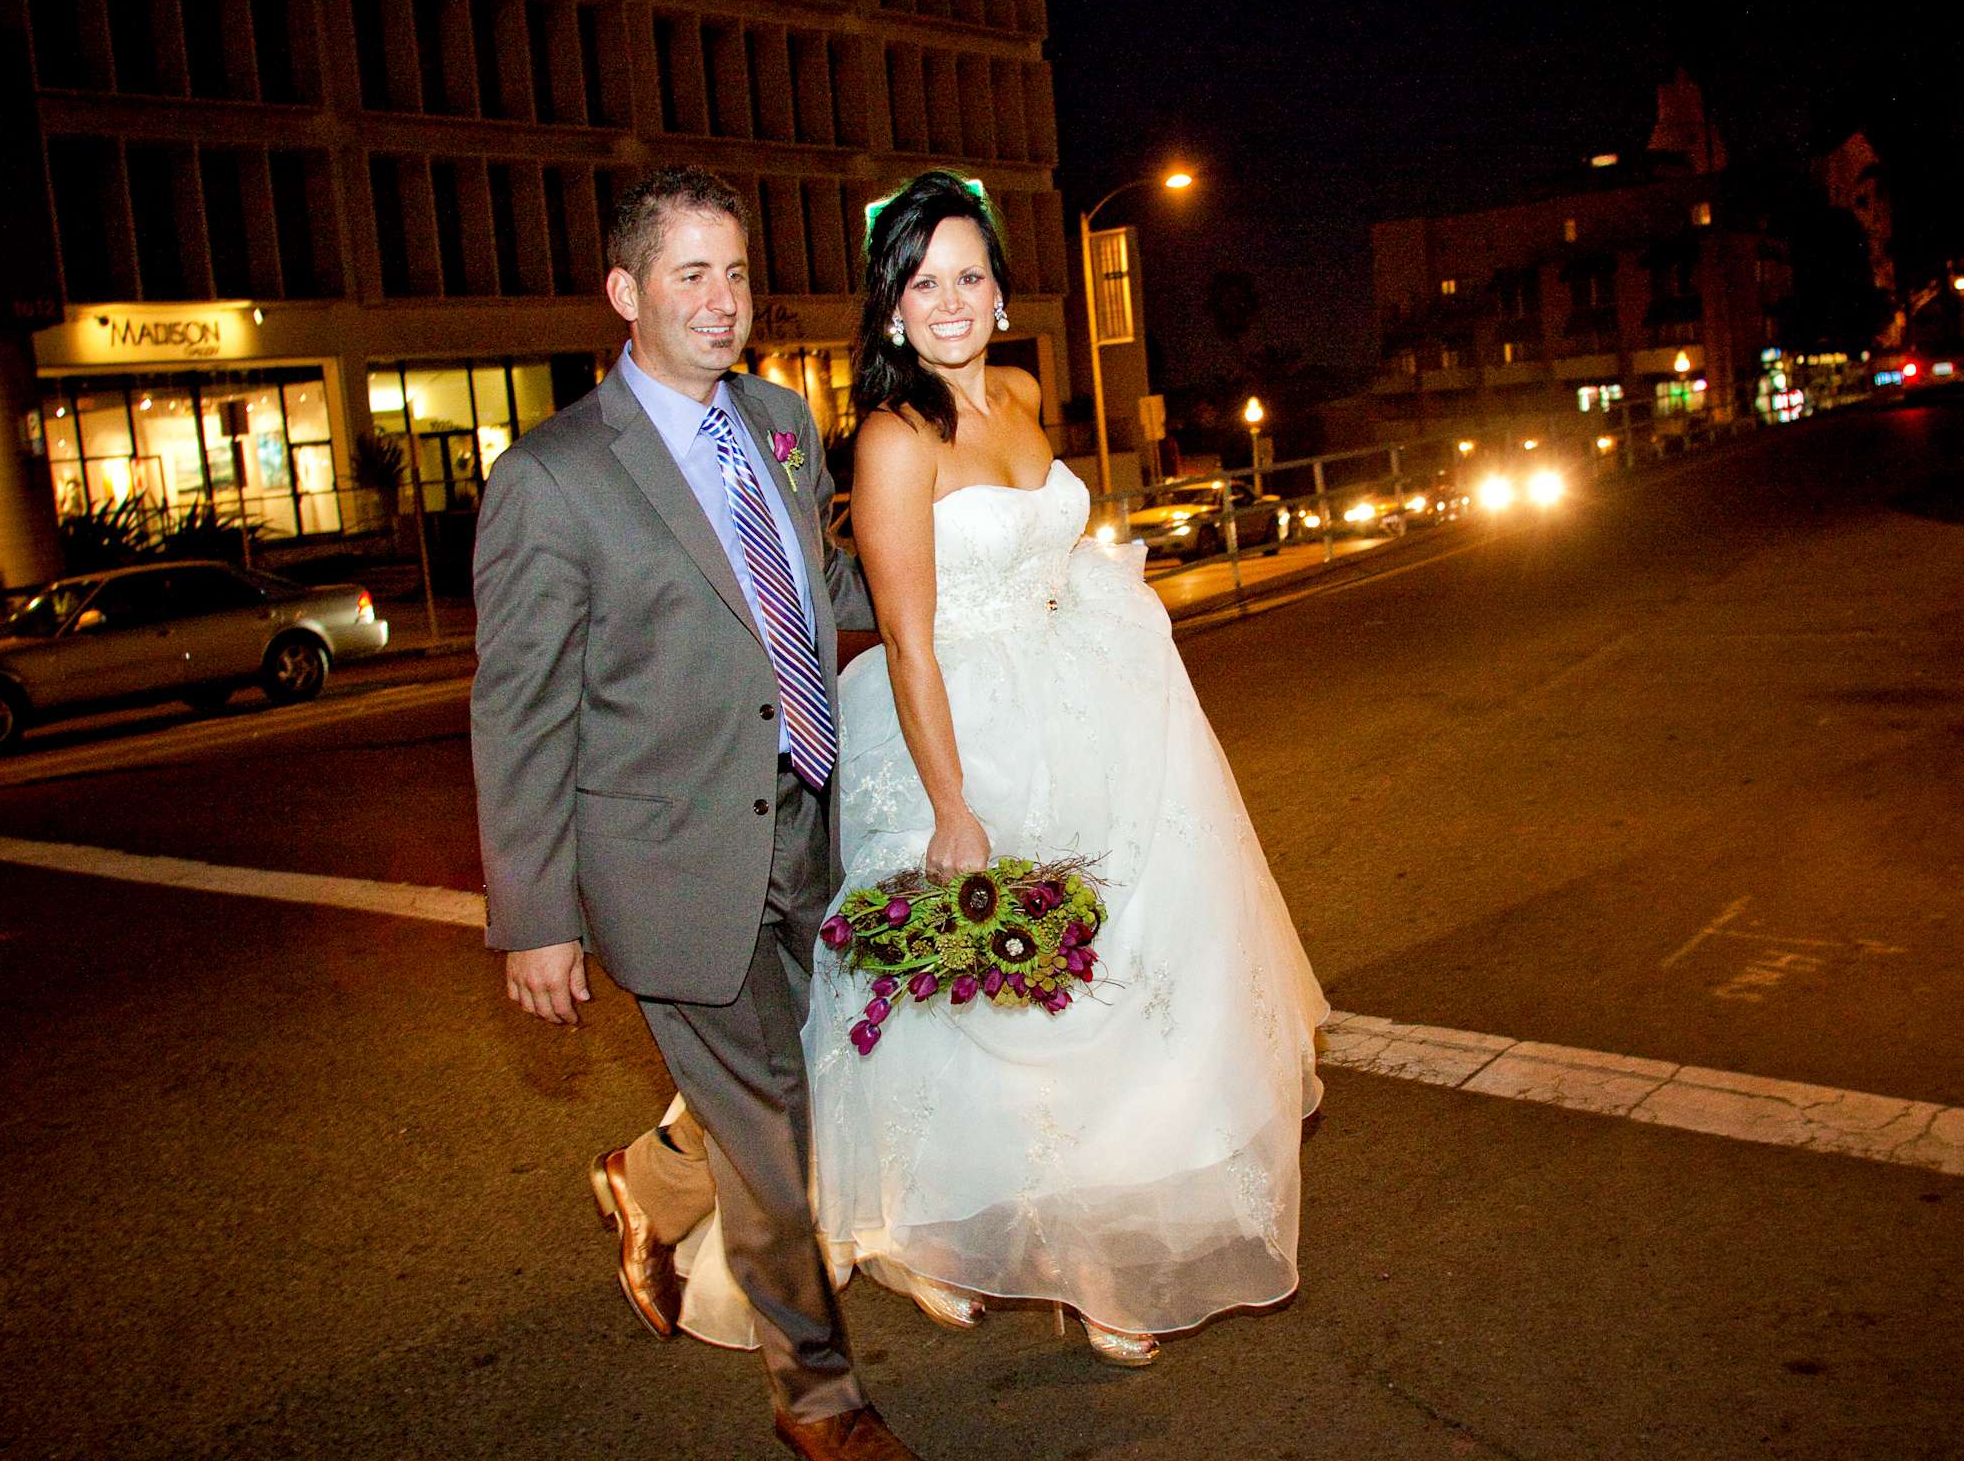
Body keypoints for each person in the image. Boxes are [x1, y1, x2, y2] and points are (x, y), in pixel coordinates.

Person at [669, 170, 1327, 1366]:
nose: (952, 301)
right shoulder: (892, 436)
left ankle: (1102, 1249)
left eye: (969, 275)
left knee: (1128, 991)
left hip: (1086, 701)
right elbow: (911, 641)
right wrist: (954, 807)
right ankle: (986, 1244)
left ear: (999, 286)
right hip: (962, 729)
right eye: (924, 283)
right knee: (1006, 1018)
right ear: (890, 306)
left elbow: (1053, 549)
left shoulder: (1022, 390)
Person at [471, 165, 918, 1461]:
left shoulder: (781, 418)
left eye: (736, 273)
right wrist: (535, 917)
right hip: (672, 858)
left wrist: (945, 594)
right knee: (776, 1126)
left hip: (813, 822)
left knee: (833, 1080)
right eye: (691, 276)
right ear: (625, 292)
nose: (724, 303)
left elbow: (819, 574)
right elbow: (519, 710)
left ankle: (653, 1179)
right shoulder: (553, 479)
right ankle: (821, 1401)